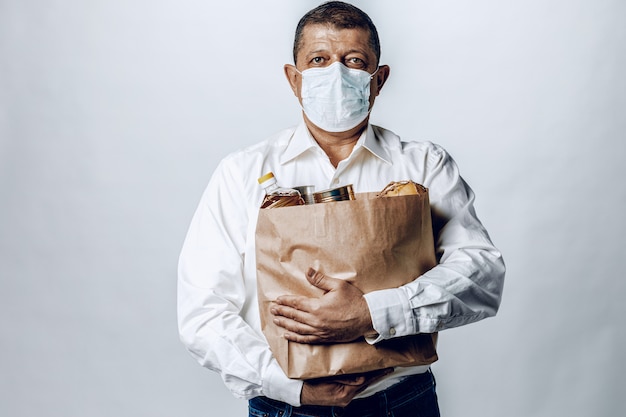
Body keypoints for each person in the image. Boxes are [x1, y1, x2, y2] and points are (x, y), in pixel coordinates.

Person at [177, 2, 505, 416]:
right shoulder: (242, 173)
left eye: (354, 61)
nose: (336, 73)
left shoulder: (423, 165)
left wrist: (371, 313)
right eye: (319, 60)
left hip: (402, 402)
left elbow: (482, 275)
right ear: (294, 79)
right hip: (285, 408)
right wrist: (290, 387)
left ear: (378, 79)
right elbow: (202, 310)